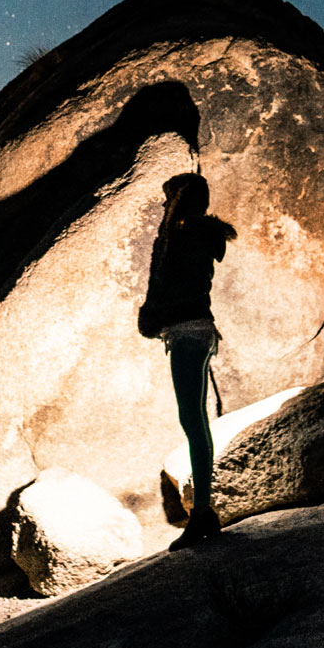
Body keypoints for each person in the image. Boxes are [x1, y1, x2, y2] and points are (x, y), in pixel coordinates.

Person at [138, 171, 236, 549]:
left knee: (193, 422)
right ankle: (204, 513)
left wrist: (155, 315)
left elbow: (177, 285)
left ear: (180, 199)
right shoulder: (195, 235)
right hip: (197, 332)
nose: (164, 205)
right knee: (195, 421)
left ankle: (203, 515)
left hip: (188, 334)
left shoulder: (183, 236)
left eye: (168, 198)